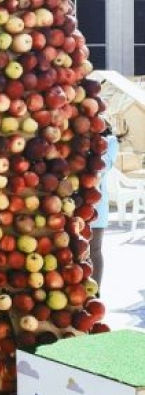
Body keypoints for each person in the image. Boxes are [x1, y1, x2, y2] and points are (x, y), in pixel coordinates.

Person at [90, 124, 120, 291]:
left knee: (94, 248)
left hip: (97, 203)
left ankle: (95, 292)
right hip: (73, 201)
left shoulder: (111, 141)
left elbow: (104, 165)